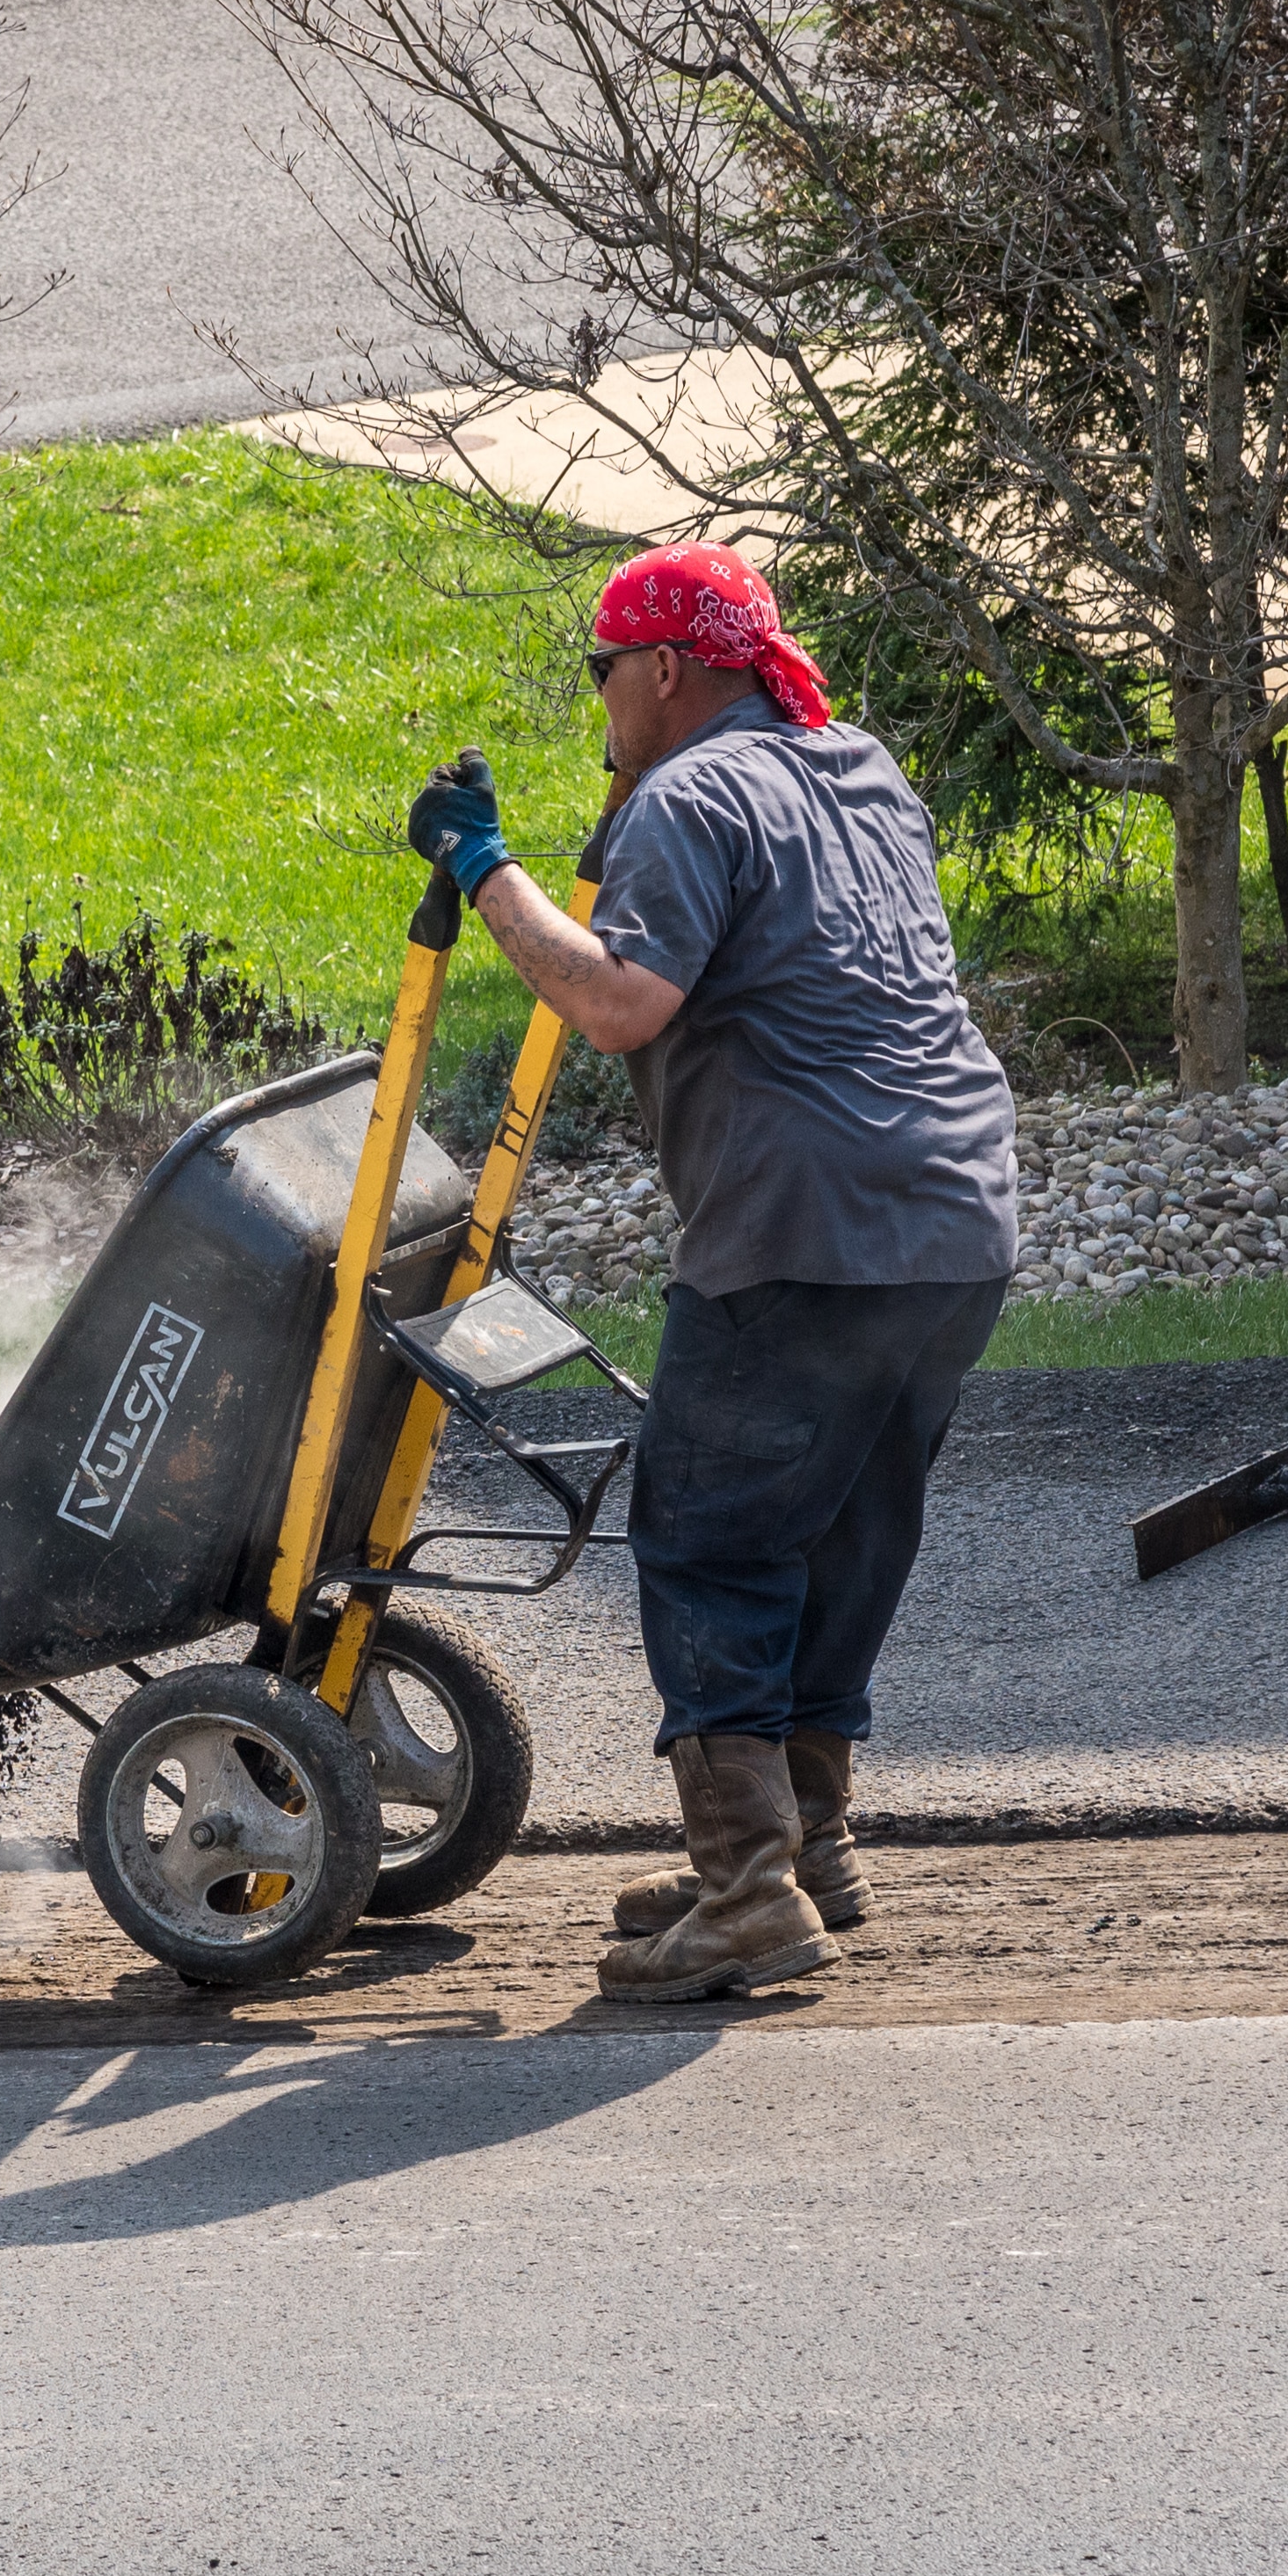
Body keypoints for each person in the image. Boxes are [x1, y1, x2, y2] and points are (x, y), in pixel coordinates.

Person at [405, 544, 1020, 2001]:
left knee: (707, 1539)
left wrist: (480, 867)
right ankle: (808, 1843)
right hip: (955, 1217)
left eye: (602, 672)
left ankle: (745, 1893)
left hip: (800, 1223)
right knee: (842, 1533)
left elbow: (618, 1004)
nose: (598, 701)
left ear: (665, 668)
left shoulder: (685, 797)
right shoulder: (859, 765)